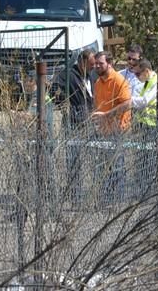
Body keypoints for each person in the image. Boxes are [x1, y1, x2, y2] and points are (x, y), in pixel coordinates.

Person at [51, 49, 96, 205]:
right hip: (74, 124)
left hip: (91, 123)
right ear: (82, 62)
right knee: (74, 161)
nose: (93, 67)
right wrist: (67, 106)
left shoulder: (90, 76)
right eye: (91, 64)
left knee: (94, 159)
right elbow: (53, 91)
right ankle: (75, 196)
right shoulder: (68, 75)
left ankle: (93, 196)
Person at [91, 51, 132, 204]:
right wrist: (97, 120)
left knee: (117, 167)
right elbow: (97, 106)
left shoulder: (119, 80)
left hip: (118, 131)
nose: (96, 66)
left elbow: (127, 103)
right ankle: (106, 200)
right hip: (103, 132)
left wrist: (107, 115)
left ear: (109, 63)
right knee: (104, 167)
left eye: (100, 63)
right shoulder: (97, 83)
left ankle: (118, 201)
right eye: (95, 63)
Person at [131, 59, 158, 197]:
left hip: (153, 125)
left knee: (151, 158)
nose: (137, 77)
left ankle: (154, 190)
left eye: (138, 74)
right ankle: (143, 189)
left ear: (146, 71)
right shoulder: (147, 82)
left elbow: (145, 102)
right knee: (143, 158)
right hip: (144, 125)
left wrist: (128, 101)